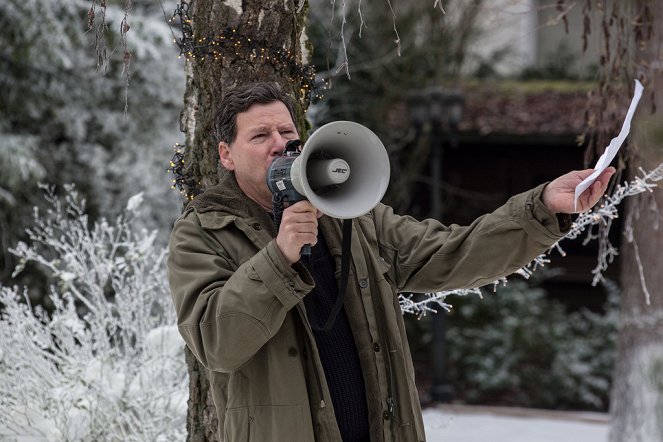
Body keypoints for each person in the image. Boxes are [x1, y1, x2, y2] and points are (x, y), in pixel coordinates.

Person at [167, 82, 615, 442]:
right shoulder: (203, 233)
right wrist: (279, 257)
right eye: (260, 136)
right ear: (226, 154)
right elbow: (216, 342)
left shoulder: (350, 215)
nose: (279, 145)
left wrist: (543, 207)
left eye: (287, 133)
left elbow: (450, 253)